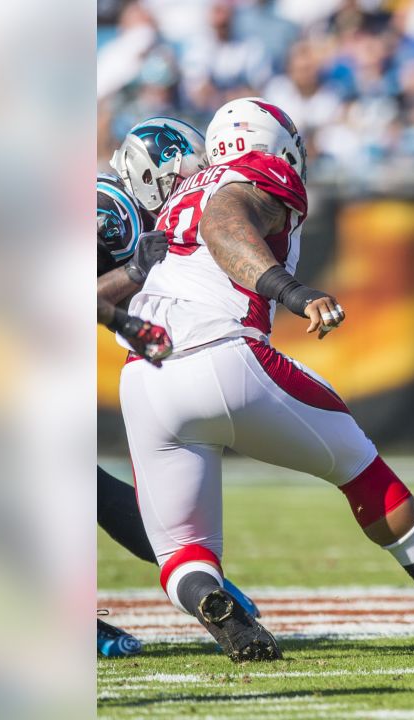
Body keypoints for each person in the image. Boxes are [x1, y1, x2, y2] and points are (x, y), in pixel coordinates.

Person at [118, 98, 414, 662]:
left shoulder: (177, 195)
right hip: (224, 351)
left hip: (146, 381)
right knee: (361, 467)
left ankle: (216, 605)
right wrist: (292, 291)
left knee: (182, 549)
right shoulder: (253, 172)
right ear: (276, 146)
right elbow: (224, 223)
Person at [97, 117, 262, 658]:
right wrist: (135, 275)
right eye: (181, 179)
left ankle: (192, 574)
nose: (189, 189)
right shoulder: (111, 213)